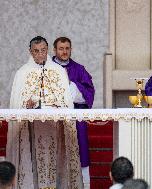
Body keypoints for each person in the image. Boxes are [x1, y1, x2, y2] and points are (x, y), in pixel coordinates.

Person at [7, 36, 83, 188]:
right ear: (30, 52)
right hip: (32, 127)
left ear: (47, 50)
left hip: (55, 126)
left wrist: (57, 103)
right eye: (36, 51)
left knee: (56, 160)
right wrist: (26, 104)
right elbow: (17, 102)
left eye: (43, 50)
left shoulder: (59, 71)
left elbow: (66, 100)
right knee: (34, 159)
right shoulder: (22, 73)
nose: (40, 54)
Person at [52, 37, 95, 186]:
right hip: (51, 119)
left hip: (75, 120)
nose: (64, 51)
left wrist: (70, 84)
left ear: (71, 49)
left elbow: (89, 94)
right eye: (61, 48)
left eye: (67, 48)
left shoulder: (79, 69)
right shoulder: (46, 68)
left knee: (79, 154)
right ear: (55, 50)